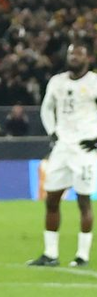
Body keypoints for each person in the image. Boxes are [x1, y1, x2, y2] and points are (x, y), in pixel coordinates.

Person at [28, 41, 97, 268]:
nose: (74, 57)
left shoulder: (94, 82)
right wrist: (53, 132)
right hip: (62, 149)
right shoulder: (57, 82)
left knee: (84, 201)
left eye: (78, 53)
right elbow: (46, 108)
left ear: (88, 58)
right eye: (71, 53)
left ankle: (82, 255)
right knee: (51, 200)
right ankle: (50, 254)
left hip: (85, 150)